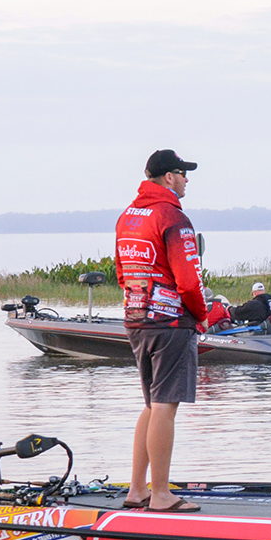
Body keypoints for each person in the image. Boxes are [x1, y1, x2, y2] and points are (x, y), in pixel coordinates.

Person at [116, 149, 207, 513]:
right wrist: (201, 314)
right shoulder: (173, 217)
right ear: (169, 177)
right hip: (171, 323)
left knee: (151, 406)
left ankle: (137, 489)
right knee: (165, 407)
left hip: (136, 318)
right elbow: (189, 279)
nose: (187, 180)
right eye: (183, 173)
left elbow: (122, 272)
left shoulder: (128, 216)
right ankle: (161, 495)